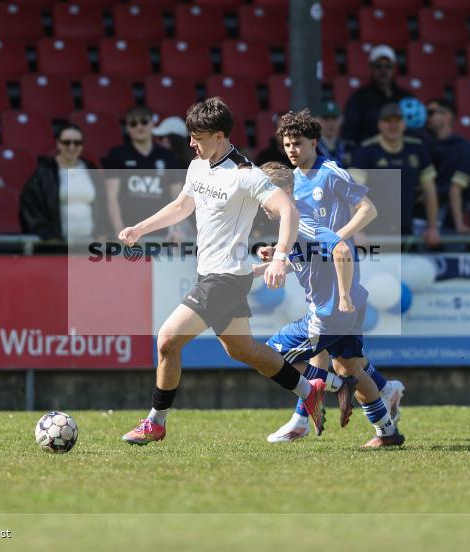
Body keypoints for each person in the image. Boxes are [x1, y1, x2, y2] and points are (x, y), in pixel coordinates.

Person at [118, 97, 333, 445]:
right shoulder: (197, 166)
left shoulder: (246, 175)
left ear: (219, 136)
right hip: (212, 275)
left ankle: (155, 422)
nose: (191, 143)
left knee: (167, 340)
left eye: (197, 137)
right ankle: (310, 390)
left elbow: (288, 210)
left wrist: (280, 257)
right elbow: (181, 206)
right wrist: (140, 229)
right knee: (242, 349)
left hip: (226, 278)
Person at [258, 159, 405, 449]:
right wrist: (274, 257)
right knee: (350, 366)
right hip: (346, 308)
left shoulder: (300, 220)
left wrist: (344, 295)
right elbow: (311, 257)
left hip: (328, 314)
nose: (262, 203)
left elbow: (339, 249)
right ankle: (388, 433)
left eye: (264, 194)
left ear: (283, 190)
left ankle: (335, 387)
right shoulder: (294, 224)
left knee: (269, 355)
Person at [352, 103, 440, 245]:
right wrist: (355, 230)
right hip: (371, 234)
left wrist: (433, 227)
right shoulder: (366, 150)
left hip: (405, 231)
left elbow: (430, 191)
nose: (393, 126)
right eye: (388, 121)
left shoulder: (417, 148)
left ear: (404, 124)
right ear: (380, 125)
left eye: (397, 121)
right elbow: (352, 192)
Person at [102, 106, 184, 241]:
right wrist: (118, 230)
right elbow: (111, 197)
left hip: (163, 235)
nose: (139, 126)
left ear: (152, 124)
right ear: (127, 128)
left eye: (144, 122)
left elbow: (177, 197)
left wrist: (177, 229)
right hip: (127, 234)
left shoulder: (168, 156)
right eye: (133, 123)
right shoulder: (117, 155)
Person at [19, 124, 108, 244]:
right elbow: (31, 208)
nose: (72, 147)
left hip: (90, 243)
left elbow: (103, 204)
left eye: (77, 143)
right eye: (67, 142)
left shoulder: (91, 170)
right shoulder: (44, 172)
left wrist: (102, 232)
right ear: (58, 143)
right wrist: (49, 236)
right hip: (57, 246)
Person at [342, 45, 411, 145]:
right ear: (371, 67)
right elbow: (349, 133)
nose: (383, 71)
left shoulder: (406, 97)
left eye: (388, 66)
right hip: (369, 155)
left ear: (395, 68)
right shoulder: (359, 98)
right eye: (378, 66)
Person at [425, 98, 470, 228]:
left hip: (453, 219)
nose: (427, 117)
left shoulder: (465, 148)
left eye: (431, 113)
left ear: (447, 115)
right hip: (422, 215)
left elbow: (458, 187)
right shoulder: (421, 145)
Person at [316, 101, 354, 166]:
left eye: (334, 118)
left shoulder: (350, 148)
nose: (330, 123)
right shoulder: (312, 148)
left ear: (341, 120)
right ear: (317, 120)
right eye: (326, 118)